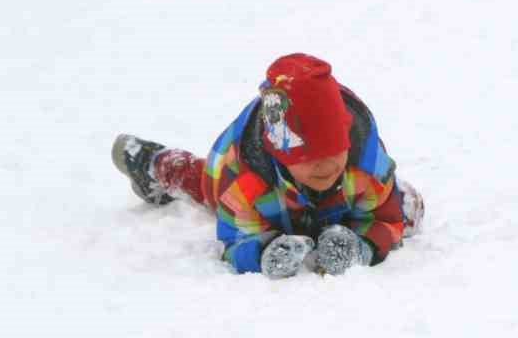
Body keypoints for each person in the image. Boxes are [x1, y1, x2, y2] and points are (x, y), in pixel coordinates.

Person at [110, 53, 423, 277]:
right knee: (204, 184)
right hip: (255, 190)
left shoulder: (366, 167)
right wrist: (262, 254)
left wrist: (362, 246)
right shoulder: (245, 181)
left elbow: (386, 219)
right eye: (307, 157)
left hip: (342, 201)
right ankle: (155, 164)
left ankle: (384, 202)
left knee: (405, 208)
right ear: (281, 154)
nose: (325, 165)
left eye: (334, 150)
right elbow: (233, 242)